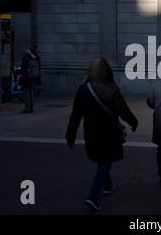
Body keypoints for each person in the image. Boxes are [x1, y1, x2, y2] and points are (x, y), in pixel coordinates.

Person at [66, 58, 138, 211]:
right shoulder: (111, 89)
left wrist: (70, 134)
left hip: (91, 132)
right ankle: (92, 197)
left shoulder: (83, 89)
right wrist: (133, 122)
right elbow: (123, 110)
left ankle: (108, 185)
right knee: (105, 162)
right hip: (109, 133)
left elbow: (76, 115)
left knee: (102, 159)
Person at [20, 46, 41, 113]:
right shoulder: (36, 57)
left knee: (26, 93)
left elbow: (23, 69)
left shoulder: (26, 58)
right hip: (33, 77)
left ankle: (27, 108)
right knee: (31, 91)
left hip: (26, 77)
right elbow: (39, 67)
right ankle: (31, 107)